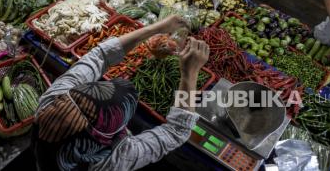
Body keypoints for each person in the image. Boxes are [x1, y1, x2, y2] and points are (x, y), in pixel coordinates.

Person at [32, 15, 210, 171]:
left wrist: (156, 28)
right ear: (109, 137)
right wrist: (189, 73)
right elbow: (177, 131)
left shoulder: (52, 100)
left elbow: (99, 57)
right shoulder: (112, 162)